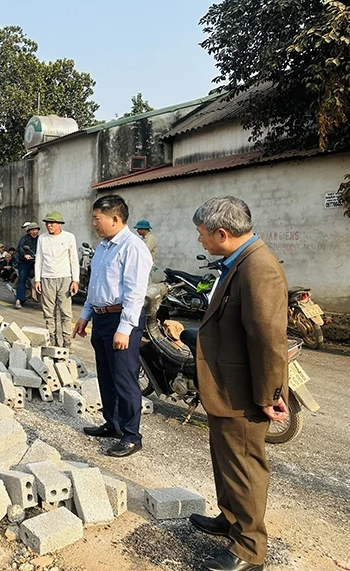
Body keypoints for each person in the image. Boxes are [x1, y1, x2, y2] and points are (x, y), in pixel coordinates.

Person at [188, 196, 288, 571]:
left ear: (222, 233)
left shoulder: (259, 268)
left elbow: (267, 338)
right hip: (224, 386)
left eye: (202, 234)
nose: (200, 240)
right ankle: (231, 519)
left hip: (243, 390)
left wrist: (269, 395)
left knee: (245, 467)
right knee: (226, 460)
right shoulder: (238, 262)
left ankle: (249, 549)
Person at [72, 195, 152, 458]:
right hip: (101, 317)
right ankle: (113, 424)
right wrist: (85, 315)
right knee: (106, 375)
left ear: (115, 219)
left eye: (97, 218)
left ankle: (131, 435)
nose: (94, 223)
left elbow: (134, 293)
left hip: (121, 319)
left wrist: (125, 328)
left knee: (124, 378)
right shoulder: (104, 247)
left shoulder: (133, 248)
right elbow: (95, 287)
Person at [34, 211, 79, 348]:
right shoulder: (42, 238)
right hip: (47, 278)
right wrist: (37, 279)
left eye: (52, 223)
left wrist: (75, 280)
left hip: (65, 278)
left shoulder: (69, 237)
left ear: (59, 224)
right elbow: (39, 259)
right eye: (47, 223)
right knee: (48, 313)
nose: (49, 225)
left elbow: (74, 259)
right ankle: (52, 341)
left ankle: (67, 342)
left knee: (66, 313)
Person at [15, 222, 40, 309]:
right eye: (33, 230)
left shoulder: (40, 239)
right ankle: (19, 299)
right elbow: (20, 248)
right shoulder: (24, 239)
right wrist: (25, 255)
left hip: (36, 262)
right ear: (29, 231)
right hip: (25, 262)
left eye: (36, 230)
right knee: (22, 279)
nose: (34, 232)